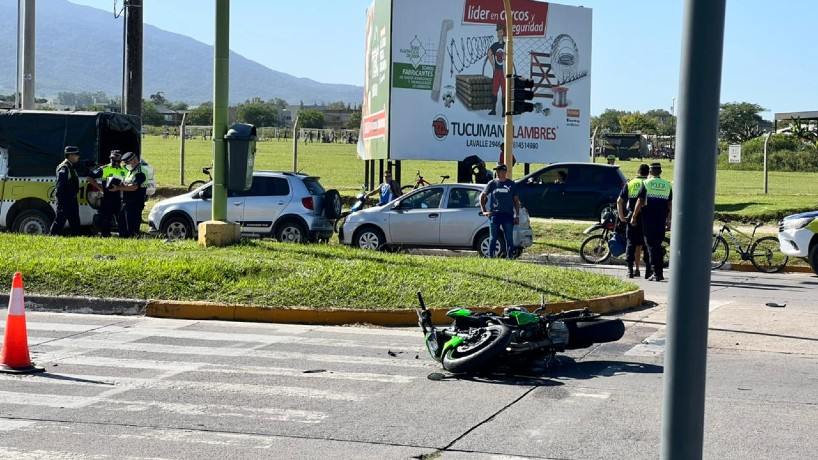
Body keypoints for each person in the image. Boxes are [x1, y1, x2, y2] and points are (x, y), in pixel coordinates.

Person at [630, 163, 673, 281]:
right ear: (660, 172)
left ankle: (656, 273)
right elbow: (670, 204)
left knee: (651, 245)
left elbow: (640, 201)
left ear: (650, 172)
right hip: (661, 219)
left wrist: (634, 216)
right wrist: (669, 219)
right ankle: (659, 272)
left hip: (648, 218)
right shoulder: (667, 185)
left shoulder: (646, 183)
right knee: (657, 245)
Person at [480, 164, 521, 258]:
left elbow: (516, 201)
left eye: (499, 171)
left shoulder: (511, 184)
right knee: (493, 238)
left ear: (504, 172)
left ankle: (510, 257)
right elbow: (483, 196)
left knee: (509, 238)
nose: (497, 173)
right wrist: (484, 211)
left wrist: (517, 215)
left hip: (508, 215)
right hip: (495, 215)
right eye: (497, 171)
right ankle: (491, 257)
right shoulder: (492, 183)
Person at [617, 164, 651, 278]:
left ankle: (630, 270)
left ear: (638, 171)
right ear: (648, 173)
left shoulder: (630, 183)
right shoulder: (649, 184)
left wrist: (622, 217)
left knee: (631, 243)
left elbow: (619, 201)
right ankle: (647, 271)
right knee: (645, 244)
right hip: (646, 217)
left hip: (632, 217)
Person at [88, 150, 127, 237]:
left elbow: (128, 183)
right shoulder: (104, 169)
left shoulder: (124, 170)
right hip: (106, 198)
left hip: (118, 198)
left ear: (120, 160)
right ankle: (105, 235)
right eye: (112, 159)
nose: (114, 162)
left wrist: (122, 187)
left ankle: (124, 236)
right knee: (106, 219)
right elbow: (89, 177)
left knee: (121, 219)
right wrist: (99, 187)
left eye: (116, 160)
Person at [111, 151, 147, 237]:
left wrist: (119, 188)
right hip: (127, 202)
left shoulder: (140, 171)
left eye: (127, 162)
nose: (126, 164)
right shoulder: (131, 171)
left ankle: (133, 240)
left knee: (132, 228)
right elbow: (127, 183)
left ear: (134, 160)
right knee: (122, 223)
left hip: (135, 203)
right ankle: (124, 240)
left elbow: (134, 187)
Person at [49, 146, 82, 236]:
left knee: (75, 221)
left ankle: (77, 238)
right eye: (76, 155)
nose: (78, 157)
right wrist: (62, 201)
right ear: (71, 155)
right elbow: (60, 186)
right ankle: (52, 237)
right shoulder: (64, 168)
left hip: (71, 199)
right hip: (65, 199)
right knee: (60, 220)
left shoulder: (71, 166)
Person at [487, 23, 507, 116]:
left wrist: (506, 59)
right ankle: (493, 110)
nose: (499, 34)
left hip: (504, 72)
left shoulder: (506, 46)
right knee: (494, 90)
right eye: (498, 32)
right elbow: (489, 53)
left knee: (504, 91)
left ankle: (504, 112)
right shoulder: (495, 45)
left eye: (500, 32)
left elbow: (510, 57)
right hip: (497, 71)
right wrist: (492, 64)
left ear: (503, 33)